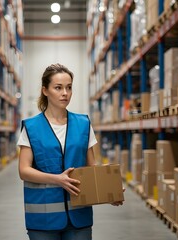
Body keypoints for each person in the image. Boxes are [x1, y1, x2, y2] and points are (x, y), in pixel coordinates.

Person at [17, 63, 123, 240]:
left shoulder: (83, 124)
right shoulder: (31, 127)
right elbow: (24, 170)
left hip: (78, 216)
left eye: (69, 87)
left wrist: (108, 192)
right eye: (58, 88)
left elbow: (91, 168)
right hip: (43, 218)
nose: (65, 93)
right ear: (45, 90)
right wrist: (57, 180)